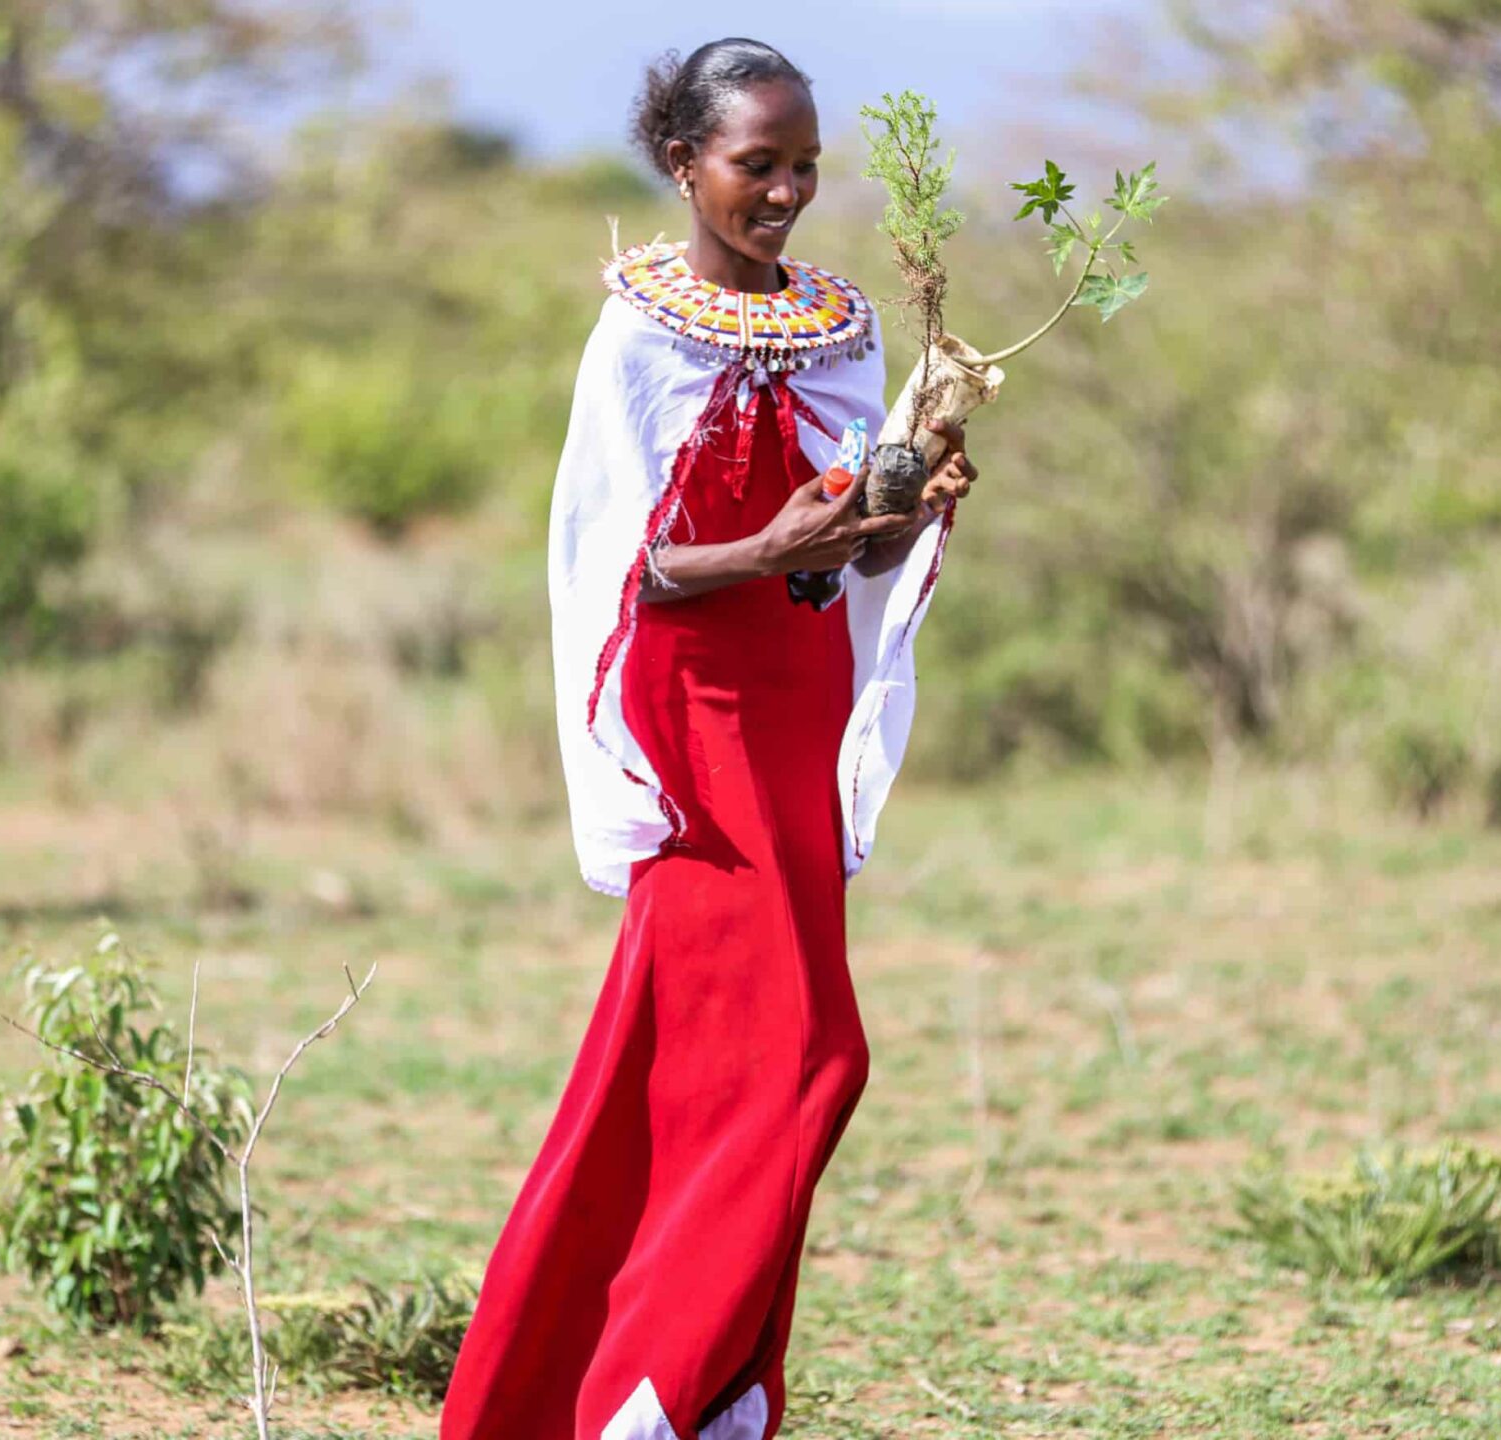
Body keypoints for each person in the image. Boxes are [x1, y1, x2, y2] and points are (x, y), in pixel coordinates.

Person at [438, 37, 976, 1440]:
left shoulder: (846, 329)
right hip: (694, 739)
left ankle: (675, 1395)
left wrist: (906, 503)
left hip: (798, 722)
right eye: (757, 164)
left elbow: (848, 570)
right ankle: (650, 1399)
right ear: (683, 164)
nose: (788, 190)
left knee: (705, 1079)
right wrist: (760, 545)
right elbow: (619, 571)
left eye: (804, 164)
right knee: (811, 1060)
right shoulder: (638, 335)